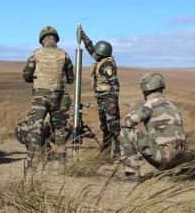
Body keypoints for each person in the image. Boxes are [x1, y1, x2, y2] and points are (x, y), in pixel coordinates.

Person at [120, 73, 194, 178]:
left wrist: (132, 110)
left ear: (145, 88)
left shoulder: (149, 105)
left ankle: (131, 174)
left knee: (126, 132)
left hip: (164, 157)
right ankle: (177, 169)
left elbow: (126, 123)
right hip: (179, 156)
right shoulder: (173, 106)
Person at [22, 26, 75, 164]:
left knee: (36, 129)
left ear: (42, 40)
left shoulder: (36, 54)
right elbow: (71, 78)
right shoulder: (64, 55)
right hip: (57, 96)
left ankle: (32, 166)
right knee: (59, 129)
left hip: (39, 96)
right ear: (55, 39)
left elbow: (26, 75)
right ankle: (62, 164)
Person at [80, 28, 121, 158]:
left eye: (97, 53)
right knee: (105, 128)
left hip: (109, 100)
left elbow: (114, 85)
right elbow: (91, 49)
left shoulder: (107, 65)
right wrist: (83, 36)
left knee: (114, 128)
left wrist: (113, 104)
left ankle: (119, 152)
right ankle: (105, 153)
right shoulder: (101, 60)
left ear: (102, 53)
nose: (95, 54)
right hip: (102, 100)